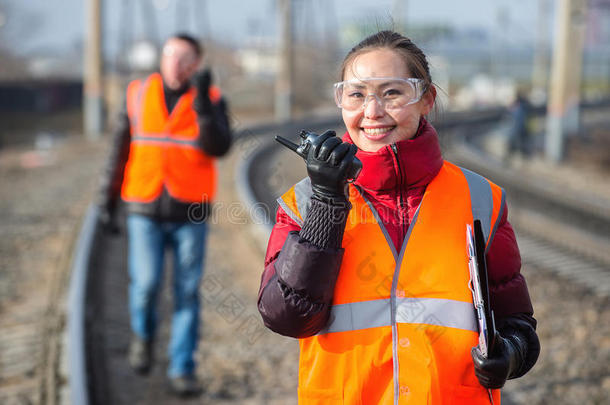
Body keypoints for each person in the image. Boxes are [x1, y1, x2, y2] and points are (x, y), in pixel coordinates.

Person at [258, 30, 539, 404]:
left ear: (427, 99)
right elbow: (286, 318)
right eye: (356, 94)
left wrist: (512, 353)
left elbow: (516, 324)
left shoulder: (480, 199)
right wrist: (327, 205)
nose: (372, 111)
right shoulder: (304, 201)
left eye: (392, 93)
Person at [98, 33, 232, 396]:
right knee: (145, 285)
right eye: (170, 54)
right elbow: (119, 150)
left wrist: (203, 101)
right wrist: (106, 203)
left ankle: (181, 368)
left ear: (195, 65)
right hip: (143, 206)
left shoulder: (212, 99)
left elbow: (218, 147)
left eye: (184, 57)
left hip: (190, 210)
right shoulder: (137, 94)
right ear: (162, 58)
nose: (175, 62)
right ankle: (143, 336)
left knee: (187, 292)